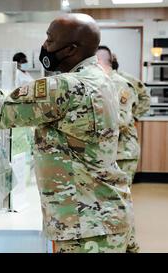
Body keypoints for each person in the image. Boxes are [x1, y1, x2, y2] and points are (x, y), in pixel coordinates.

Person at [0, 13, 132, 253]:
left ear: (71, 49)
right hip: (104, 214)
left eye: (50, 40)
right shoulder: (100, 79)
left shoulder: (67, 85)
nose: (44, 46)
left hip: (86, 226)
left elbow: (0, 113)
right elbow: (17, 105)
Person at [96, 45, 140, 253]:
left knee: (121, 201)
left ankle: (130, 246)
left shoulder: (120, 84)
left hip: (123, 152)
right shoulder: (101, 82)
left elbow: (121, 119)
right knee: (112, 202)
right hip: (109, 152)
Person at [112, 54, 151, 120]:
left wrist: (134, 115)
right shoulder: (99, 80)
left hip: (125, 126)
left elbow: (145, 96)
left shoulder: (127, 79)